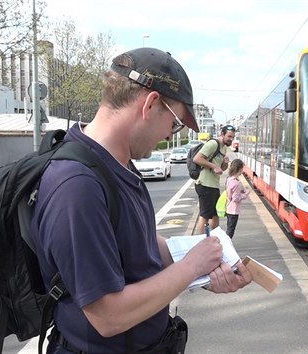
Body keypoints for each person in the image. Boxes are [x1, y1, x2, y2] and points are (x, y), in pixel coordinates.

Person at [30, 48, 252, 354]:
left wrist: (204, 267)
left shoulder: (117, 164)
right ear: (150, 104)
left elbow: (139, 242)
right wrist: (189, 268)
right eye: (174, 124)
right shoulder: (77, 185)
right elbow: (108, 315)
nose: (169, 133)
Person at [193, 124, 236, 234]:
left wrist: (225, 163)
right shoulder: (213, 144)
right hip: (204, 183)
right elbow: (197, 159)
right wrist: (214, 166)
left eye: (233, 137)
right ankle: (202, 240)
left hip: (213, 184)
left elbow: (222, 168)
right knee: (205, 214)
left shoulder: (224, 148)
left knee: (215, 213)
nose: (231, 139)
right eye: (229, 136)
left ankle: (215, 235)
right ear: (222, 134)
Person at [225, 159, 251, 238]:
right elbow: (235, 198)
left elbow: (231, 192)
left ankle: (226, 244)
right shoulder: (237, 183)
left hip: (228, 207)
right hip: (234, 210)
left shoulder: (229, 179)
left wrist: (241, 191)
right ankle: (227, 245)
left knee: (229, 227)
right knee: (231, 229)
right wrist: (245, 194)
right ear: (240, 169)